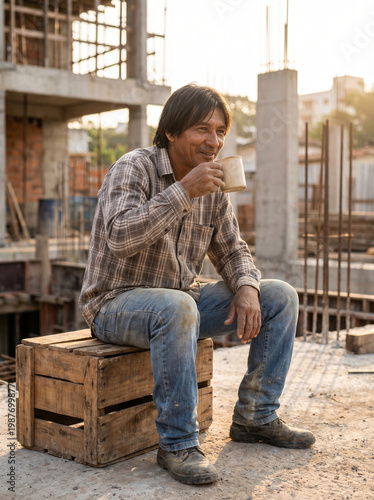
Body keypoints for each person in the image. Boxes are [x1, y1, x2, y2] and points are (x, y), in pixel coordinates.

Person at [79, 84, 315, 486]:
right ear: (172, 131)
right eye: (203, 129)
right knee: (177, 306)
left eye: (220, 131)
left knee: (279, 296)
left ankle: (256, 416)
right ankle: (177, 444)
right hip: (115, 304)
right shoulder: (134, 167)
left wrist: (246, 287)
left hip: (178, 303)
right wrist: (183, 191)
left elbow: (233, 250)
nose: (214, 141)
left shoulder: (215, 186)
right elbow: (119, 236)